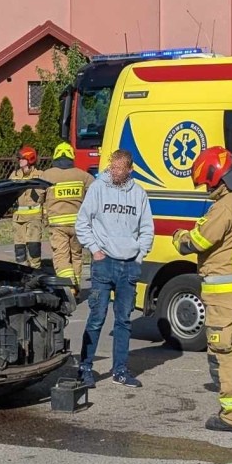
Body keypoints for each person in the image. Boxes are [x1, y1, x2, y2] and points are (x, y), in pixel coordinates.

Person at [171, 147, 232, 433]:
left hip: (226, 294)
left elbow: (199, 241)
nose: (207, 189)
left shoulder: (225, 206)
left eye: (208, 183)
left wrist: (179, 237)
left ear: (218, 177)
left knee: (229, 354)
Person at [74, 149, 155, 388]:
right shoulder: (99, 188)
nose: (114, 172)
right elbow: (82, 222)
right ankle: (85, 368)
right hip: (104, 263)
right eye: (112, 167)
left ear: (130, 170)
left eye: (119, 168)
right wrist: (95, 250)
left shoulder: (139, 193)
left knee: (124, 321)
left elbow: (147, 228)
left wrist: (139, 256)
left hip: (128, 265)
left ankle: (120, 370)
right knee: (96, 318)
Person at [38, 142, 94, 296]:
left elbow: (37, 196)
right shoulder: (83, 175)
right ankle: (76, 288)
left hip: (58, 225)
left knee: (61, 257)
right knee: (76, 255)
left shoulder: (47, 175)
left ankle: (68, 287)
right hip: (78, 225)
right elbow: (95, 194)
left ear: (56, 156)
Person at [9, 145, 44, 268]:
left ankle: (35, 269)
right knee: (19, 247)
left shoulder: (40, 175)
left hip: (34, 217)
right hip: (18, 218)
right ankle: (22, 270)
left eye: (22, 159)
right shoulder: (14, 175)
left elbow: (45, 195)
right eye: (19, 159)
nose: (20, 161)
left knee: (33, 245)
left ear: (30, 160)